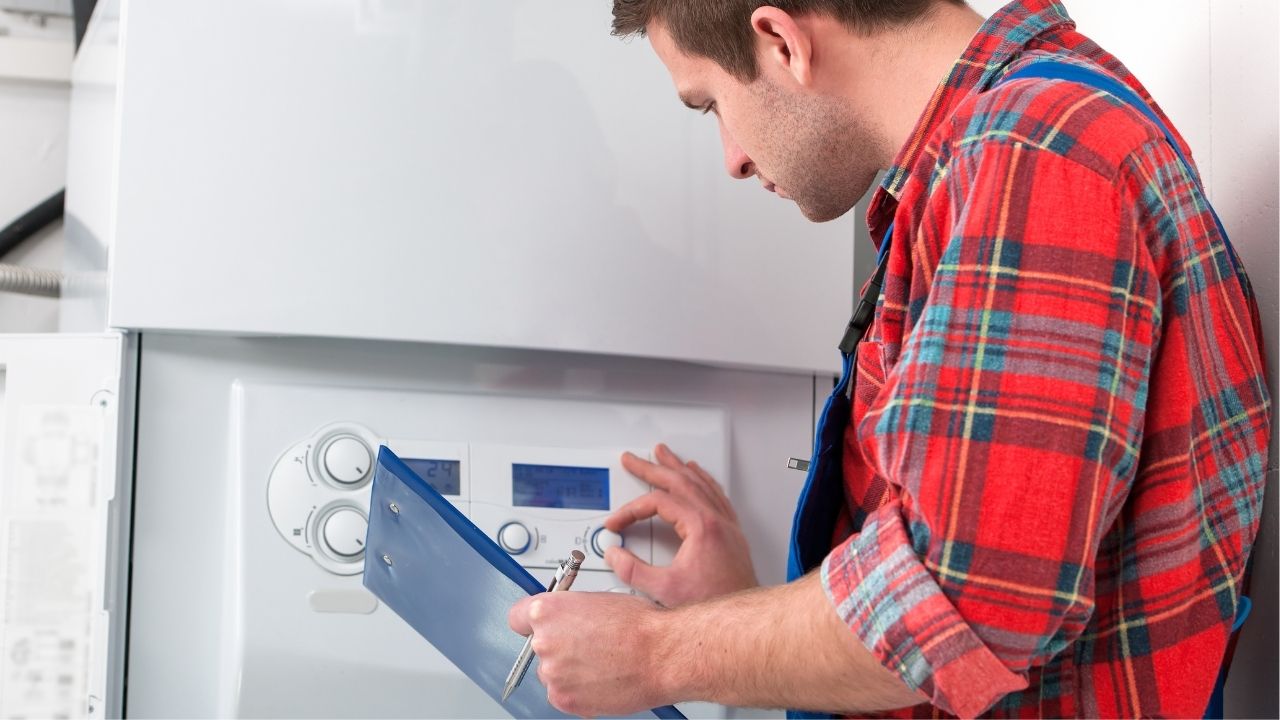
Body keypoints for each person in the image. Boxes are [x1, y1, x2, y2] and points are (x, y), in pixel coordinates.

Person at [508, 1, 1272, 716]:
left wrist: (657, 652)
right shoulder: (981, 165)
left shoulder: (1033, 155)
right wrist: (733, 608)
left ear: (780, 41)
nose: (732, 160)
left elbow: (963, 603)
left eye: (710, 103)